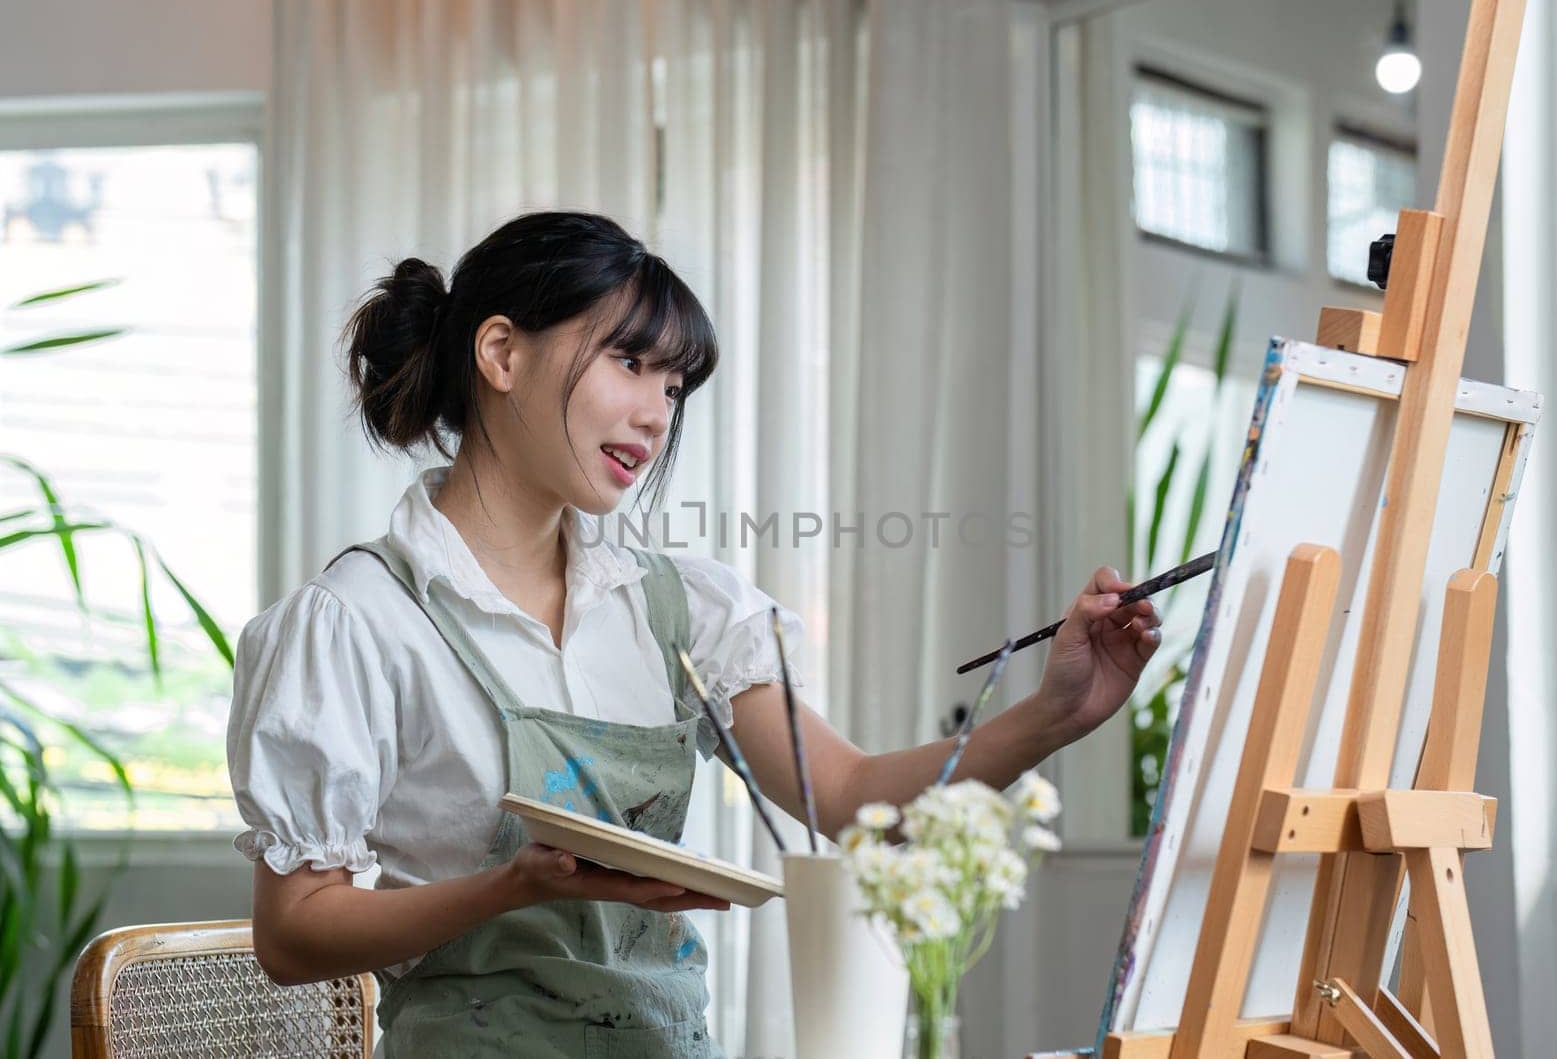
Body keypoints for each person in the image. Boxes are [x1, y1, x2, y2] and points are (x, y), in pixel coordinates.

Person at [226, 210, 1162, 1058]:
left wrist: (1055, 711)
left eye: (674, 385)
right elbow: (295, 932)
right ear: (502, 353)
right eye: (629, 363)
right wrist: (516, 885)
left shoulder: (677, 610)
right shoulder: (357, 622)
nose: (655, 412)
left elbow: (851, 799)